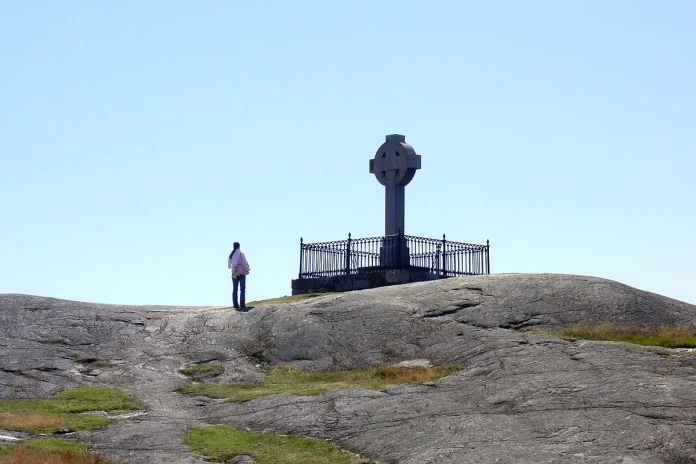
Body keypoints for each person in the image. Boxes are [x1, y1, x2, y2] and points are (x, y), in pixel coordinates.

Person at [228, 242, 250, 310]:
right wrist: (247, 268)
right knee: (242, 289)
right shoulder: (241, 254)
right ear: (239, 246)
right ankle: (242, 304)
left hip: (234, 273)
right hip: (241, 272)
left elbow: (229, 266)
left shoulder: (231, 255)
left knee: (235, 289)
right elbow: (245, 263)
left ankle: (235, 304)